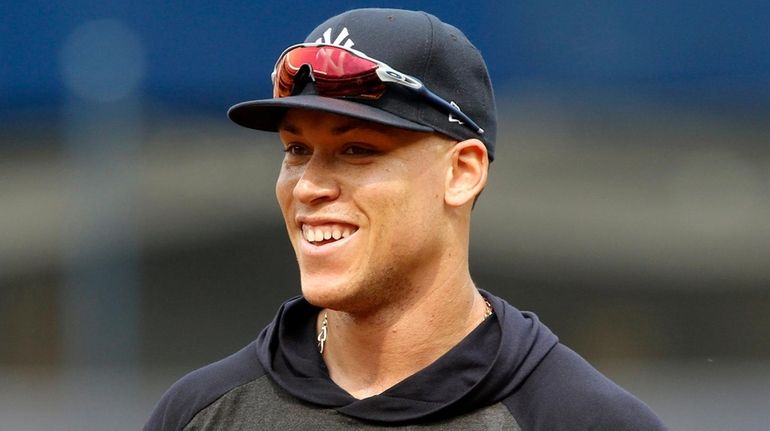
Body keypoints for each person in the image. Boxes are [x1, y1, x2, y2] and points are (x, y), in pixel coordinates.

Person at [144, 8, 668, 430]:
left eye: (356, 150)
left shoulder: (580, 418)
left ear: (462, 172)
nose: (309, 185)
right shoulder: (199, 414)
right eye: (297, 149)